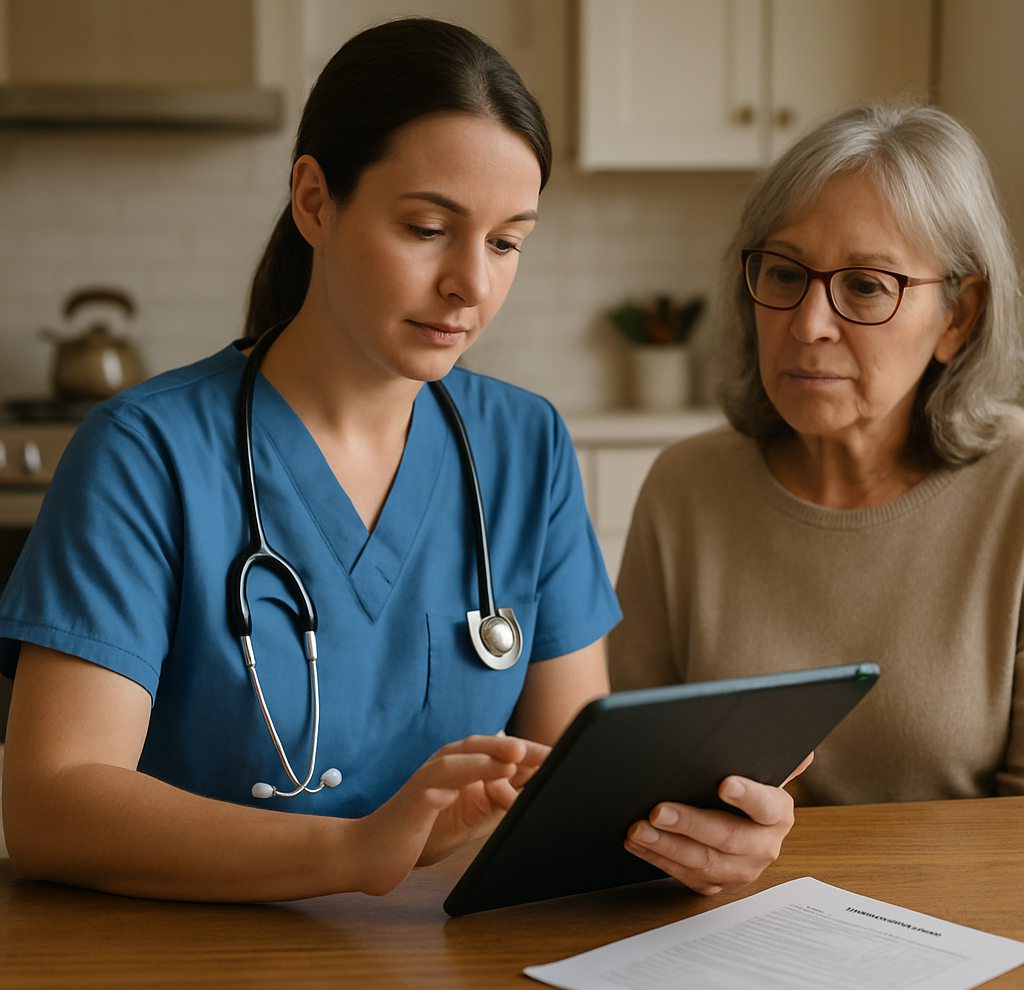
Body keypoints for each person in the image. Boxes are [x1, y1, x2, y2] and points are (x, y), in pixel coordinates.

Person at [0, 18, 799, 903]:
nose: (473, 284)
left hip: (446, 963)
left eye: (506, 243)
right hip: (187, 968)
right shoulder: (144, 454)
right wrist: (354, 851)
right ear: (314, 201)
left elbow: (570, 781)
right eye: (427, 228)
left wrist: (698, 829)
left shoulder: (526, 446)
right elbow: (50, 806)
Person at [609, 102, 1024, 805]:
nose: (808, 324)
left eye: (865, 286)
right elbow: (624, 786)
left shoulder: (1014, 489)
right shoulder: (686, 486)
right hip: (726, 909)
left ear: (959, 317)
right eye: (784, 273)